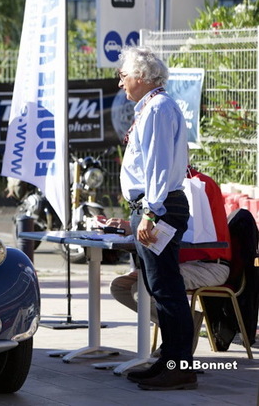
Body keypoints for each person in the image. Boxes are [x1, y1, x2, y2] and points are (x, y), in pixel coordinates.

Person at [116, 46, 196, 390]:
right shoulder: (152, 107)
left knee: (166, 287)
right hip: (153, 207)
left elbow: (159, 166)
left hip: (159, 208)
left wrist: (150, 211)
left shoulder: (159, 108)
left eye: (124, 75)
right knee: (159, 286)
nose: (120, 82)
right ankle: (168, 360)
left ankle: (180, 366)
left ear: (142, 76)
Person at [108, 167, 231, 351]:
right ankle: (186, 324)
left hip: (210, 265)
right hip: (182, 263)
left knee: (145, 288)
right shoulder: (167, 187)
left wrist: (138, 227)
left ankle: (178, 339)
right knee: (120, 287)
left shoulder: (198, 185)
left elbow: (185, 232)